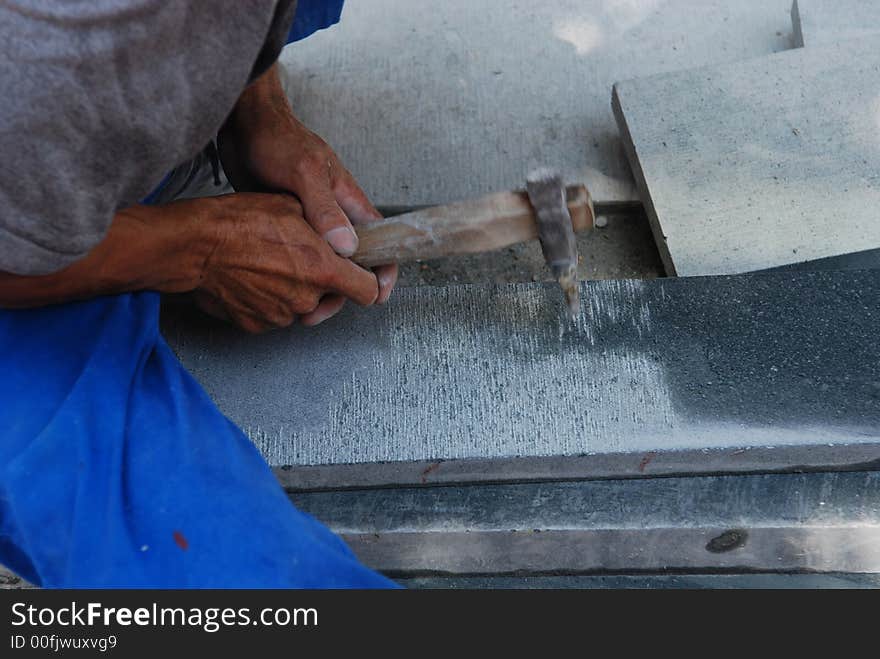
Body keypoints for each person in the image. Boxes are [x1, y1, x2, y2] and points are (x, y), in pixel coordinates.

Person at [0, 0, 398, 587]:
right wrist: (195, 249)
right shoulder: (46, 54)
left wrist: (253, 105)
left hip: (54, 119)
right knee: (205, 561)